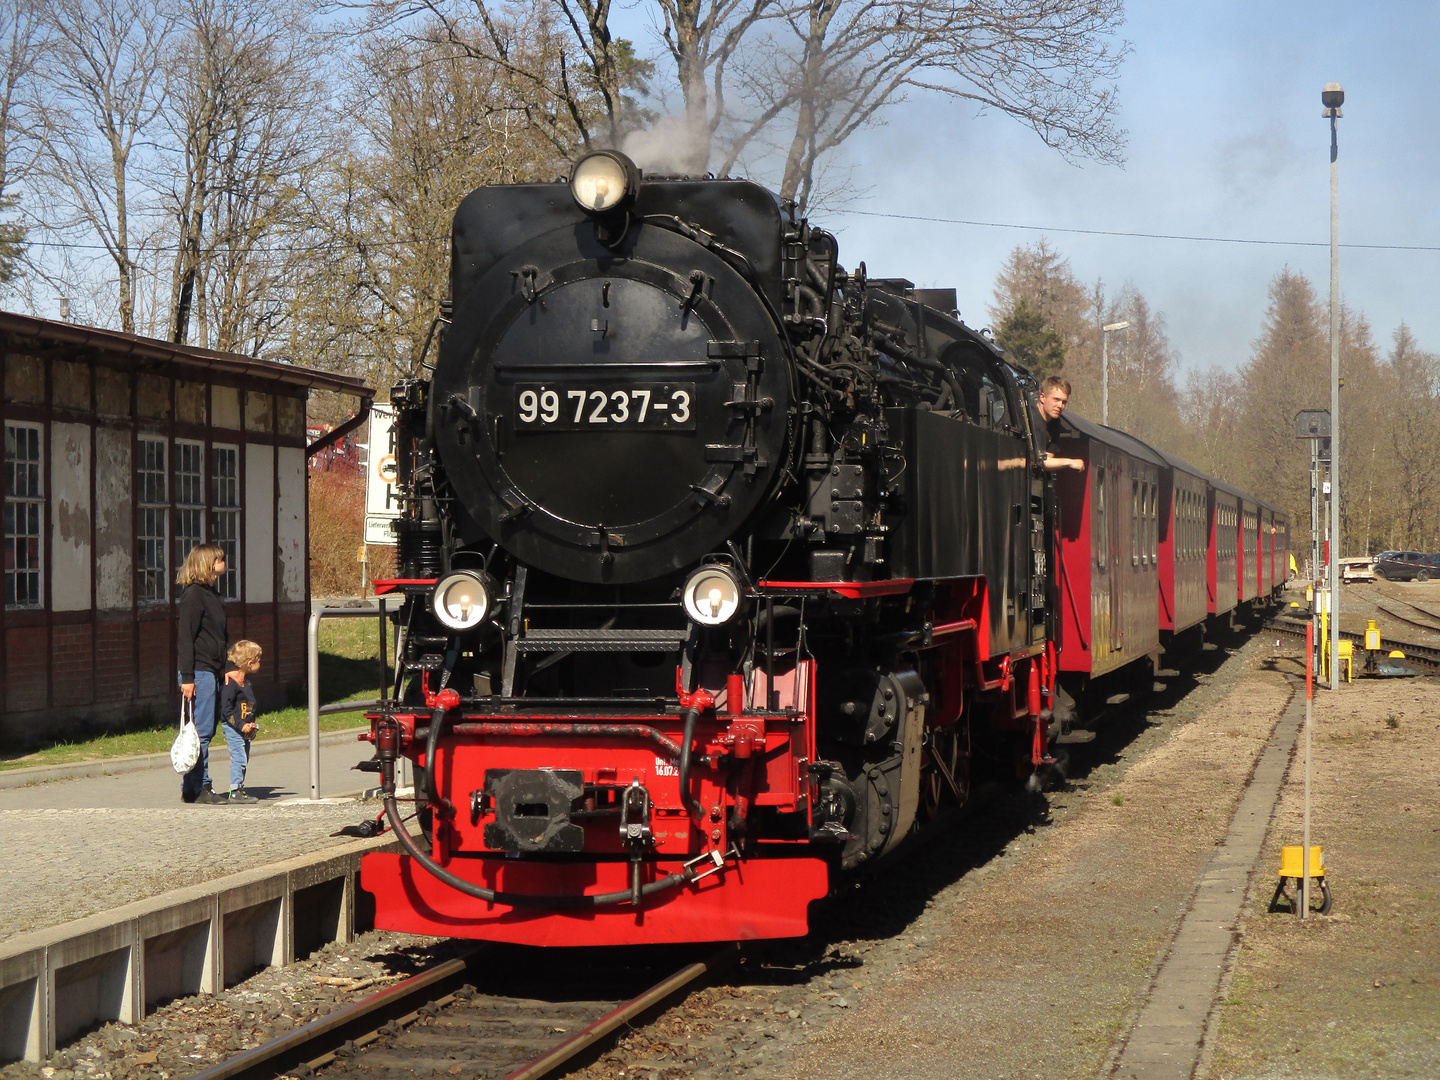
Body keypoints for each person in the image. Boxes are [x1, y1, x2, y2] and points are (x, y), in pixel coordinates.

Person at [177, 544, 229, 804]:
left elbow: (219, 636)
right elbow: (186, 637)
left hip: (212, 670)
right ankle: (200, 787)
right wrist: (187, 677)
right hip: (198, 671)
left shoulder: (212, 594)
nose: (223, 562)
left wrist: (227, 668)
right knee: (202, 733)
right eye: (219, 559)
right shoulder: (193, 595)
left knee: (203, 731)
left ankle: (191, 787)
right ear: (207, 563)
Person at [219, 640, 263, 804]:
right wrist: (240, 724)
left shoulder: (246, 683)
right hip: (233, 727)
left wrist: (250, 724)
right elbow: (227, 710)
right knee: (239, 758)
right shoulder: (230, 685)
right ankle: (235, 790)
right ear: (250, 663)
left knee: (244, 757)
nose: (260, 664)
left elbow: (248, 707)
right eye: (259, 660)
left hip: (245, 728)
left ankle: (239, 787)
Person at [1034, 375, 1085, 472]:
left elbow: (1045, 462)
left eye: (1064, 402)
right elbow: (1033, 461)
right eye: (1056, 400)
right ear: (1042, 397)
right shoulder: (1029, 419)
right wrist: (1069, 462)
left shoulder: (1055, 424)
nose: (1060, 406)